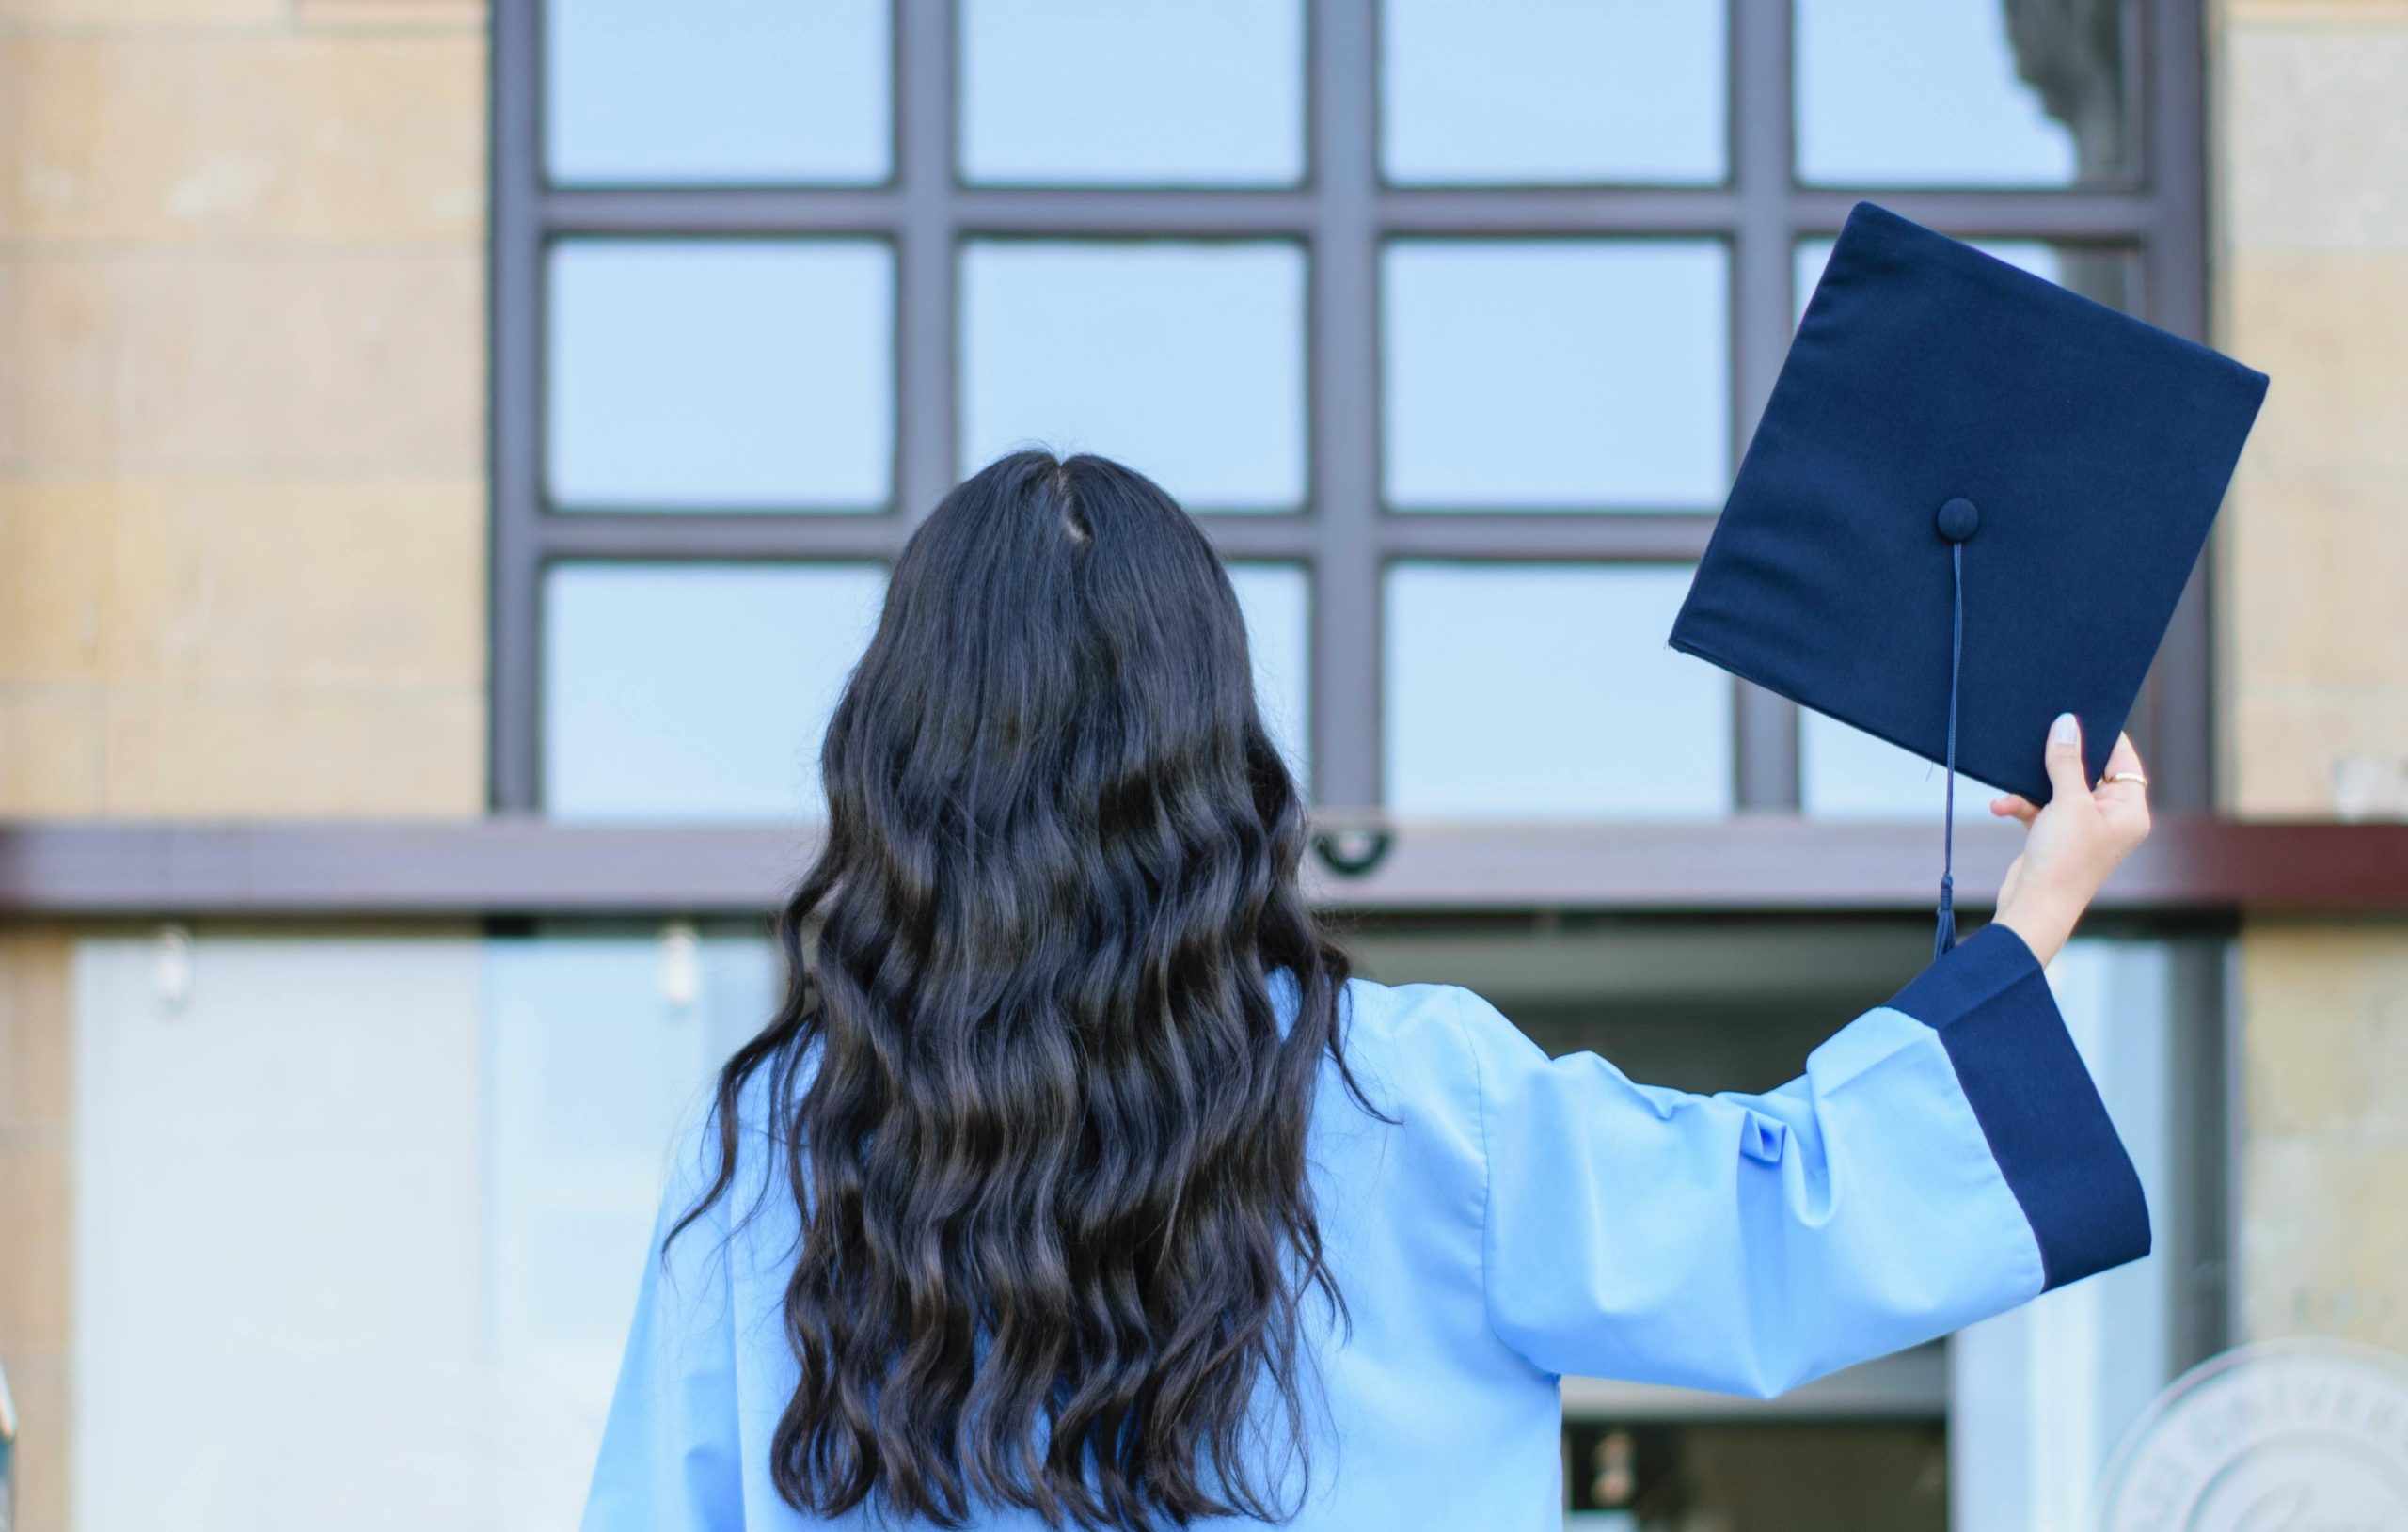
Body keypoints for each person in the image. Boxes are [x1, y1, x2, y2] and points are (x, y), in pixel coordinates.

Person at [580, 450, 2154, 1531]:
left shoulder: (775, 1151)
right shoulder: (1414, 1098)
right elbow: (1778, 1223)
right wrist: (2035, 911)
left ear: (903, 767)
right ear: (1209, 760)